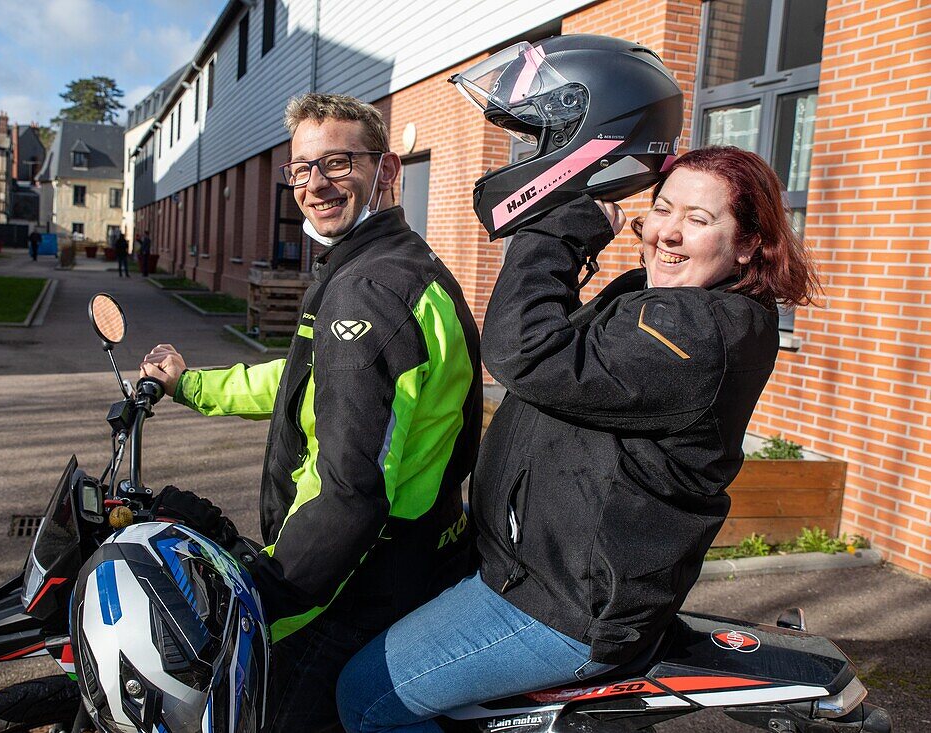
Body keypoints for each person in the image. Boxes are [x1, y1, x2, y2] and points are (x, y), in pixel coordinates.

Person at [336, 144, 822, 731]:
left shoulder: (696, 331)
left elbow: (527, 352)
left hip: (564, 605)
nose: (667, 232)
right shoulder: (662, 300)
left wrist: (560, 230)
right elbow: (565, 353)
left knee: (367, 694)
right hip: (533, 571)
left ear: (747, 244)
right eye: (663, 208)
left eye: (698, 219)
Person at [139, 92, 482, 733]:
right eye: (301, 168)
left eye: (339, 163)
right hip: (399, 558)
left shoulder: (370, 291)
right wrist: (192, 386)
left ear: (388, 170)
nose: (316, 184)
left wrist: (263, 597)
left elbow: (351, 492)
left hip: (355, 579)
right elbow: (307, 381)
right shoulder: (395, 267)